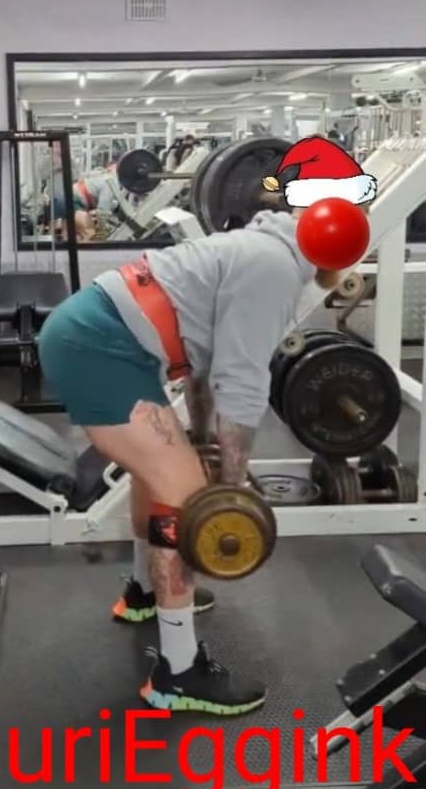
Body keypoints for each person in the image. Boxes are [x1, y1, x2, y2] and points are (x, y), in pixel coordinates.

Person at [38, 137, 376, 716]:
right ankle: (177, 673)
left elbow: (202, 364)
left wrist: (198, 436)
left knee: (160, 473)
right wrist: (230, 486)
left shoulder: (255, 245)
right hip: (100, 350)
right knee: (187, 503)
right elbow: (241, 386)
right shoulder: (274, 270)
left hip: (101, 339)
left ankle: (145, 593)